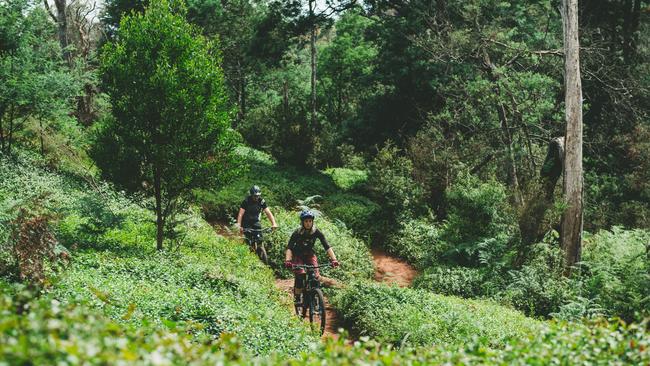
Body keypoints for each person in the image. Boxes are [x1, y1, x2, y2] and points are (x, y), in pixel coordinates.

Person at [284, 210, 339, 304]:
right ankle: (297, 297)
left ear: (312, 221)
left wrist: (334, 259)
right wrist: (288, 260)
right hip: (298, 255)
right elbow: (289, 247)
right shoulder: (297, 232)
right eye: (306, 221)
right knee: (300, 275)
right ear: (302, 222)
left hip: (310, 255)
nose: (308, 223)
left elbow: (327, 246)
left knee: (315, 276)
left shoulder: (316, 232)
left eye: (310, 221)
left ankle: (315, 294)